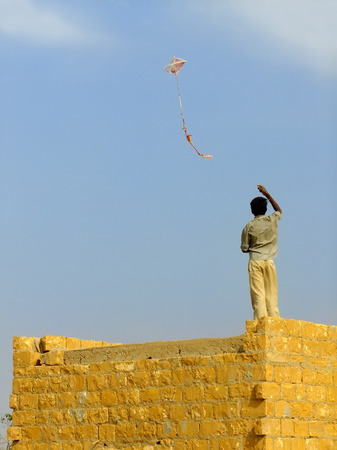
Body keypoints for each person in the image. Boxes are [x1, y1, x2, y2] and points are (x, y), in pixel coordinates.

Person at [241, 185, 282, 319]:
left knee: (258, 294)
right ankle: (274, 320)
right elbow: (279, 210)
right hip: (269, 261)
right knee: (272, 293)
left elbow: (244, 248)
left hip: (255, 261)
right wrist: (268, 195)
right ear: (265, 209)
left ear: (252, 210)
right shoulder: (272, 220)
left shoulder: (249, 226)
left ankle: (260, 322)